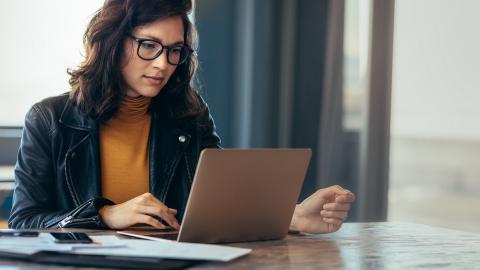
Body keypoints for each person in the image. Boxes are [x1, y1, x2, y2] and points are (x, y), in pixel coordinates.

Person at [8, 0, 355, 234]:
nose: (163, 64)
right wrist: (104, 215)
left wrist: (291, 216)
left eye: (175, 51)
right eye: (149, 45)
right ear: (112, 41)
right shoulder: (50, 119)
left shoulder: (188, 114)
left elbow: (220, 204)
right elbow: (24, 222)